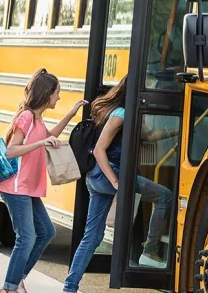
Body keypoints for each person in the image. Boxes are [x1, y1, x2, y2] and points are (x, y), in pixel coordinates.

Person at [62, 76, 176, 293]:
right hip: (108, 175)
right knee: (165, 196)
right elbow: (99, 150)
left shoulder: (126, 113)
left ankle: (70, 287)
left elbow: (150, 136)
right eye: (147, 88)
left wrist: (175, 131)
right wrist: (116, 182)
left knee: (93, 236)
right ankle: (149, 251)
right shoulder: (121, 115)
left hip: (97, 179)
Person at [0, 69, 88, 293]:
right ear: (46, 93)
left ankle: (17, 279)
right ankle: (9, 288)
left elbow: (51, 136)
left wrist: (71, 113)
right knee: (26, 238)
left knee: (46, 232)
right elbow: (11, 151)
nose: (59, 97)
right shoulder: (26, 117)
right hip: (16, 187)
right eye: (57, 93)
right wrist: (39, 144)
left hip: (29, 188)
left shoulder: (37, 118)